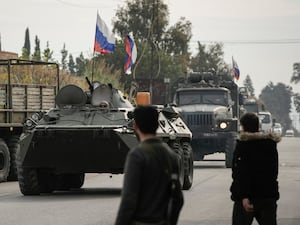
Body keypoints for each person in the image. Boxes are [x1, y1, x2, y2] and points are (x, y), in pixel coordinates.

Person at [115, 105, 184, 225]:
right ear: (157, 125)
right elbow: (178, 199)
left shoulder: (137, 155)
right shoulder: (171, 156)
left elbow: (129, 199)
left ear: (135, 126)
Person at [230, 112, 281, 225]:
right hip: (268, 196)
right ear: (258, 126)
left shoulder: (243, 146)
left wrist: (244, 196)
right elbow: (273, 172)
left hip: (246, 200)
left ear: (243, 127)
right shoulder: (270, 145)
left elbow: (240, 174)